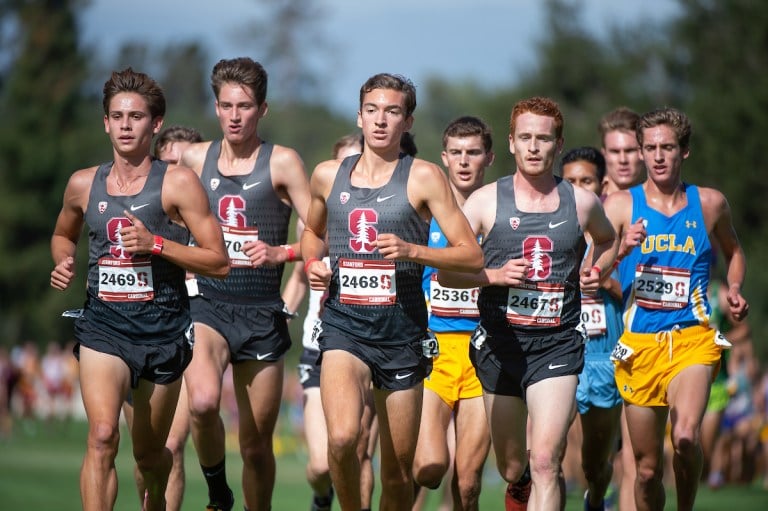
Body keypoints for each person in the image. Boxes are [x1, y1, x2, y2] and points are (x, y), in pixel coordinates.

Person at [301, 73, 484, 511]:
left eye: (392, 111)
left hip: (402, 335)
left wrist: (412, 250)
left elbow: (471, 256)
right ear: (359, 115)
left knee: (399, 475)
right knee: (343, 438)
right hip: (344, 327)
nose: (380, 120)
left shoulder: (424, 178)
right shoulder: (328, 175)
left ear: (408, 121)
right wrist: (313, 264)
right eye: (372, 110)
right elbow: (311, 231)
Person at [49, 67, 228, 511]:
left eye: (136, 116)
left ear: (156, 122)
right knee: (103, 435)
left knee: (150, 456)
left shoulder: (178, 183)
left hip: (162, 332)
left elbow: (219, 260)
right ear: (105, 123)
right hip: (103, 327)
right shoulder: (82, 183)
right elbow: (62, 234)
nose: (126, 125)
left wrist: (157, 244)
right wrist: (63, 261)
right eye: (117, 116)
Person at [438, 97, 617, 511]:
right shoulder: (484, 202)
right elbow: (446, 272)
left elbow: (608, 240)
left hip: (557, 345)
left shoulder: (582, 202)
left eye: (543, 139)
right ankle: (517, 484)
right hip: (500, 347)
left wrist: (598, 267)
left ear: (558, 144)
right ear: (512, 144)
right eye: (525, 138)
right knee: (513, 464)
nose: (534, 147)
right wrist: (494, 276)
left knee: (545, 462)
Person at [179, 57, 311, 511]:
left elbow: (323, 232)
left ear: (263, 110)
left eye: (246, 106)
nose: (235, 116)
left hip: (262, 312)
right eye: (226, 105)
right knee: (201, 402)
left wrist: (283, 253)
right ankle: (218, 491)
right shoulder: (194, 159)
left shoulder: (284, 163)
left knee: (256, 448)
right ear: (215, 108)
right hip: (209, 303)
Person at [603, 106, 749, 511]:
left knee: (685, 435)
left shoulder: (709, 205)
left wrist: (734, 287)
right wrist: (620, 249)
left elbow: (735, 251)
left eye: (667, 147)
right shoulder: (619, 206)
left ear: (684, 151)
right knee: (647, 469)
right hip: (639, 346)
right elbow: (589, 271)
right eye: (649, 148)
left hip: (694, 339)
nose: (658, 156)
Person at [120, 124, 204, 511]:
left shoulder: (206, 211)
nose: (179, 172)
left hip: (196, 325)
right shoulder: (140, 208)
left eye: (187, 163)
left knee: (173, 442)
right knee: (146, 452)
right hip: (142, 327)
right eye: (171, 161)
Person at [412, 116, 494, 511]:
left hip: (483, 353)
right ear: (443, 157)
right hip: (433, 351)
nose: (464, 162)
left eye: (473, 152)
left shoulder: (500, 214)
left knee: (469, 482)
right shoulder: (424, 212)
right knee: (429, 467)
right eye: (456, 153)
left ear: (489, 158)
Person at [284, 132, 364, 511]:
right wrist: (280, 316)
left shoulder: (383, 217)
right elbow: (299, 276)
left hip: (370, 345)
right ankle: (321, 495)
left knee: (358, 451)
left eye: (359, 160)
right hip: (319, 347)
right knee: (320, 464)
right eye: (344, 162)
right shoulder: (314, 224)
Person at [560, 147, 624, 511]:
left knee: (595, 465)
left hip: (603, 357)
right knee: (546, 454)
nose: (579, 189)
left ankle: (596, 498)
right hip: (558, 352)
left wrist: (606, 279)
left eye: (586, 181)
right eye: (570, 182)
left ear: (602, 185)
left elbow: (638, 295)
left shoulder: (617, 235)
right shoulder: (548, 233)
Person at [598, 106, 644, 511]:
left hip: (635, 335)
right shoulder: (592, 205)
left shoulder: (661, 204)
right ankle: (596, 495)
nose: (624, 158)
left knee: (636, 453)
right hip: (593, 338)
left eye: (631, 149)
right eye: (615, 151)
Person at [598, 107, 645, 197]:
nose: (623, 160)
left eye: (630, 150)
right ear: (604, 154)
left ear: (643, 152)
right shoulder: (589, 203)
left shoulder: (663, 203)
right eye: (615, 151)